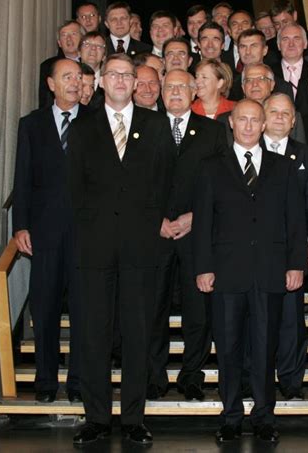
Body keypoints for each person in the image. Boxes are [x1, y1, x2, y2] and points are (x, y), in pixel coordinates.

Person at [69, 53, 175, 446]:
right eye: (111, 74)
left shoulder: (156, 124)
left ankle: (133, 418)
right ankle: (96, 417)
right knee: (95, 334)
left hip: (140, 248)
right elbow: (74, 188)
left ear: (135, 83)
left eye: (126, 75)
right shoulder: (83, 127)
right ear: (100, 81)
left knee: (136, 335)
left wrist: (150, 227)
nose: (118, 80)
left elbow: (164, 182)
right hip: (95, 249)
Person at [192, 98, 307, 443]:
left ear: (263, 125)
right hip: (226, 273)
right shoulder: (211, 166)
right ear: (231, 123)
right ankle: (230, 417)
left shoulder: (283, 167)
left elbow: (296, 221)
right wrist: (203, 268)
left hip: (270, 271)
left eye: (254, 120)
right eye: (241, 119)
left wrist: (296, 263)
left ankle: (263, 417)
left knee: (264, 347)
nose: (247, 125)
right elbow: (203, 224)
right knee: (227, 349)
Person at [147, 69, 227, 402]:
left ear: (194, 90)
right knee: (153, 307)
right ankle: (154, 375)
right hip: (156, 234)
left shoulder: (212, 131)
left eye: (183, 86)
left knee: (198, 309)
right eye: (170, 86)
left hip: (197, 234)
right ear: (160, 91)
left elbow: (224, 180)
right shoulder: (145, 129)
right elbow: (132, 183)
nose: (176, 91)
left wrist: (196, 216)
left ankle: (192, 374)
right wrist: (156, 221)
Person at [13, 58, 86, 404]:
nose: (74, 82)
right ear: (51, 83)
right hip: (44, 233)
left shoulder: (95, 121)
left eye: (78, 76)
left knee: (85, 310)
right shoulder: (31, 125)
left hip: (88, 234)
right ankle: (45, 380)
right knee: (44, 308)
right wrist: (20, 226)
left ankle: (78, 381)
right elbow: (23, 179)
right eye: (66, 76)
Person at [261, 93, 308, 400]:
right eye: (274, 112)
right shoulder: (247, 152)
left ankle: (291, 381)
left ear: (294, 120)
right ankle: (254, 378)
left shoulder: (307, 156)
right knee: (255, 318)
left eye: (286, 113)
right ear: (263, 115)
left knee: (291, 320)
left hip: (292, 250)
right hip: (255, 251)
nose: (281, 118)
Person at [228, 29, 290, 102]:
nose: (248, 52)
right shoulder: (231, 85)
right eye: (243, 47)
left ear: (265, 50)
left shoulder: (282, 86)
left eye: (253, 46)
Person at [271, 23, 308, 116]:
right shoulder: (269, 73)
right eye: (285, 39)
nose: (291, 44)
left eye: (296, 39)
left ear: (305, 44)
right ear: (278, 45)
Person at [39, 20, 83, 108]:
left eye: (73, 34)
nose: (69, 38)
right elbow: (45, 101)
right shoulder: (48, 66)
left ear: (83, 39)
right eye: (64, 35)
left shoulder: (92, 62)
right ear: (59, 43)